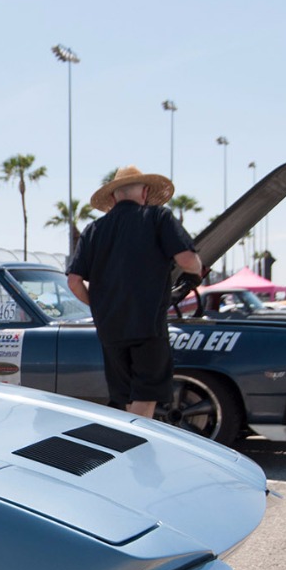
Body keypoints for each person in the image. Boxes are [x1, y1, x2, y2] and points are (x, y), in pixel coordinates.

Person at [67, 165, 203, 419]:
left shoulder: (93, 230)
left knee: (127, 395)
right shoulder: (157, 218)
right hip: (147, 325)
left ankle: (133, 452)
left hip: (110, 329)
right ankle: (139, 452)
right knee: (144, 396)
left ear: (113, 196)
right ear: (145, 191)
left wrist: (98, 307)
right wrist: (198, 267)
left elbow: (74, 281)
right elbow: (186, 260)